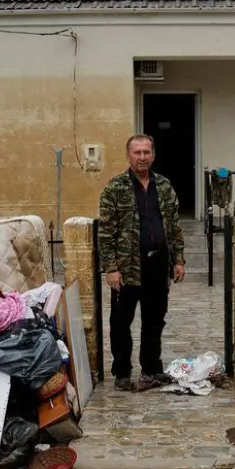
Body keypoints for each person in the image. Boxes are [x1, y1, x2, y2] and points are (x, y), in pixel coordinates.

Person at [98, 133, 185, 392]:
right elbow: (105, 233)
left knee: (154, 320)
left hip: (158, 266)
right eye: (137, 152)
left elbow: (174, 228)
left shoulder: (165, 186)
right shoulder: (115, 188)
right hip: (127, 270)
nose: (142, 157)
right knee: (121, 322)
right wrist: (111, 268)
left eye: (146, 152)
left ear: (153, 155)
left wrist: (178, 260)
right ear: (129, 155)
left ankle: (151, 368)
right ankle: (122, 371)